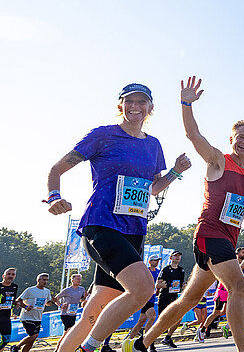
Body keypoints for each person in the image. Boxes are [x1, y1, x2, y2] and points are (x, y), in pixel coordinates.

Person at [46, 83, 191, 352]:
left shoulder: (153, 145)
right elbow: (57, 168)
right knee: (143, 288)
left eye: (141, 101)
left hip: (134, 230)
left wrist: (176, 171)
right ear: (120, 105)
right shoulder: (103, 135)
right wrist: (55, 197)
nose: (135, 106)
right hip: (101, 225)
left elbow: (153, 188)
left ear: (151, 108)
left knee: (92, 314)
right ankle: (90, 348)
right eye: (129, 101)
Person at [127, 77, 244, 352]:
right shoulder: (218, 159)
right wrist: (186, 104)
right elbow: (194, 135)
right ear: (232, 139)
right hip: (209, 234)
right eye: (240, 137)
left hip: (227, 239)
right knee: (239, 285)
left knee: (189, 299)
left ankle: (142, 343)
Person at [123, 256, 160, 352]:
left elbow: (157, 285)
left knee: (141, 322)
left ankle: (127, 341)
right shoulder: (146, 271)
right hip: (144, 298)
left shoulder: (159, 272)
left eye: (157, 261)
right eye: (154, 260)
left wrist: (159, 288)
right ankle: (145, 341)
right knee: (152, 316)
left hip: (152, 299)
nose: (156, 262)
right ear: (149, 261)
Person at [9, 274, 51, 352]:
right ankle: (16, 347)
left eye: (47, 280)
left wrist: (52, 301)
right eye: (43, 280)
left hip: (38, 317)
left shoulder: (47, 291)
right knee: (34, 335)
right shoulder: (30, 290)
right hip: (27, 317)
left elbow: (48, 303)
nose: (45, 282)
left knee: (32, 339)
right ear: (38, 280)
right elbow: (18, 301)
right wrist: (25, 307)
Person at [154, 250, 186, 348]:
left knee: (178, 318)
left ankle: (168, 337)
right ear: (171, 258)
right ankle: (150, 341)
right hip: (164, 297)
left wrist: (185, 286)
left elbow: (181, 284)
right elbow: (158, 285)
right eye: (175, 256)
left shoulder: (181, 270)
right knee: (161, 322)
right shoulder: (166, 270)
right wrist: (170, 284)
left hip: (174, 297)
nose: (177, 257)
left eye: (179, 256)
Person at [55, 273, 87, 338]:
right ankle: (76, 345)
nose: (79, 280)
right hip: (65, 314)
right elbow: (56, 298)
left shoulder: (82, 289)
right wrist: (60, 305)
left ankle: (59, 347)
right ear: (72, 280)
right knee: (72, 329)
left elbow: (82, 299)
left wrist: (85, 297)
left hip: (73, 313)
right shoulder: (67, 290)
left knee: (66, 333)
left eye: (80, 279)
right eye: (77, 279)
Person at [1, 268, 18, 352]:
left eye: (13, 274)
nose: (10, 276)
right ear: (3, 276)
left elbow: (12, 300)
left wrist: (16, 303)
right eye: (9, 274)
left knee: (6, 339)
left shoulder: (14, 287)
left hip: (6, 318)